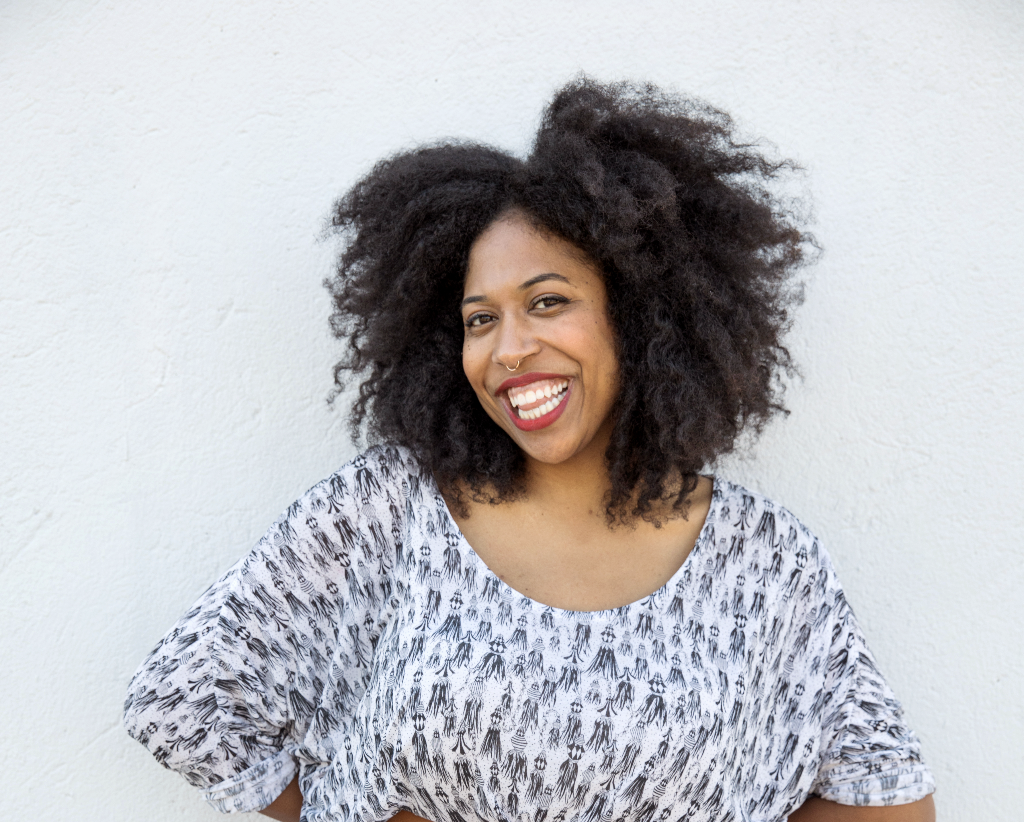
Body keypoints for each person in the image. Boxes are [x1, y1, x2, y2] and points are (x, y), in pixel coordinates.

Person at [123, 78, 936, 822]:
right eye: (481, 319)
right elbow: (184, 699)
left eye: (547, 302)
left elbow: (885, 795)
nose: (508, 348)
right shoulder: (391, 510)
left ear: (644, 313)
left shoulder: (766, 563)